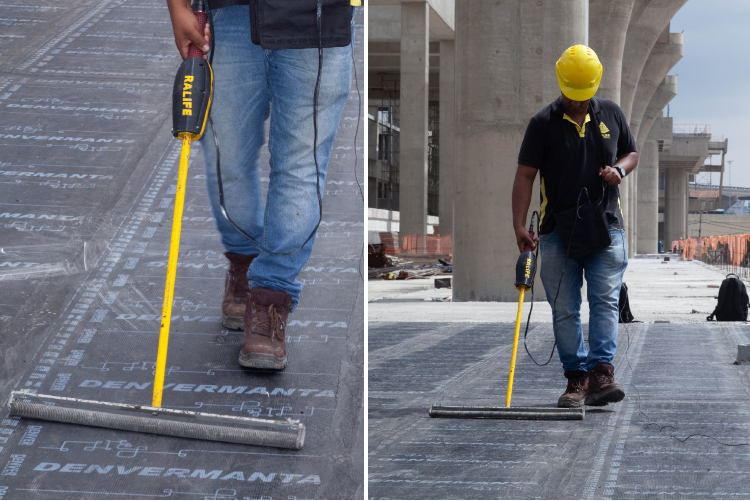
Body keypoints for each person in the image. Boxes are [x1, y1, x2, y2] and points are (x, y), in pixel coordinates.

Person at [166, 0, 356, 370]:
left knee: (301, 165)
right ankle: (244, 261)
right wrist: (177, 5)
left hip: (318, 19)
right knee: (229, 158)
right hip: (229, 13)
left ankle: (271, 295)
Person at [511, 45, 638, 408]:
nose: (579, 103)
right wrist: (519, 225)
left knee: (604, 302)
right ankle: (576, 378)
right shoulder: (542, 124)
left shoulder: (611, 113)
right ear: (561, 84)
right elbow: (525, 176)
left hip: (606, 227)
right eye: (572, 96)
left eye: (585, 97)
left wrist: (620, 170)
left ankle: (601, 374)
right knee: (564, 308)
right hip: (556, 232)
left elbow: (631, 151)